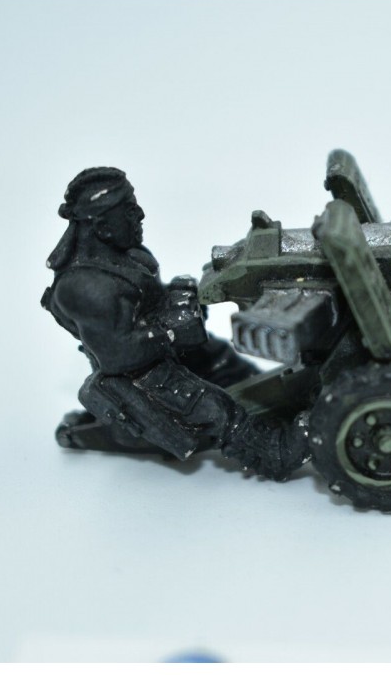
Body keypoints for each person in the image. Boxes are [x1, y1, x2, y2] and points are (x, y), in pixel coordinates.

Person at [43, 167, 308, 478]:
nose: (140, 215)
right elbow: (117, 355)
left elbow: (150, 302)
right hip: (138, 374)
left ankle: (271, 408)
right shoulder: (85, 288)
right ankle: (273, 453)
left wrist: (180, 298)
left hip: (161, 352)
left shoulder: (130, 255)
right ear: (102, 226)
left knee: (225, 362)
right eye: (128, 209)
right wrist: (171, 329)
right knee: (212, 407)